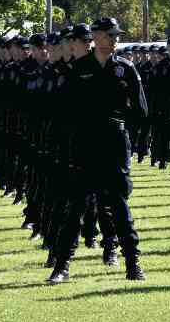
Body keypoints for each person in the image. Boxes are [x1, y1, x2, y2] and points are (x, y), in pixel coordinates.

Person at [47, 18, 148, 284]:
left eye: (117, 36)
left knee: (119, 206)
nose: (115, 40)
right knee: (75, 207)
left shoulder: (125, 68)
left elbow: (141, 111)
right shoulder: (78, 69)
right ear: (96, 37)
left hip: (114, 143)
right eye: (110, 35)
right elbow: (63, 111)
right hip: (85, 144)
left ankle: (132, 264)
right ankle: (62, 266)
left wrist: (126, 131)